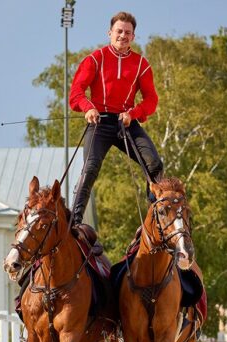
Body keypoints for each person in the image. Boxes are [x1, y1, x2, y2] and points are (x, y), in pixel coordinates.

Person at [68, 11, 163, 226]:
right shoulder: (95, 59)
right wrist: (88, 108)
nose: (123, 35)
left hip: (125, 123)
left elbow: (151, 99)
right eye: (119, 31)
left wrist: (133, 114)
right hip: (98, 122)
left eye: (127, 32)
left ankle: (155, 220)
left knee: (154, 164)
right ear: (110, 33)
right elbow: (76, 92)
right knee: (90, 168)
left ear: (133, 37)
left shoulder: (141, 64)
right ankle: (74, 222)